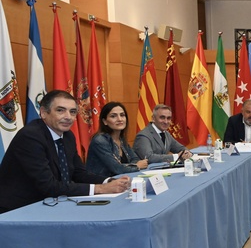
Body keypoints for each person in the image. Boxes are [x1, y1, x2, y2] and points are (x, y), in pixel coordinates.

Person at [0, 90, 130, 213]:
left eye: (73, 112)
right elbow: (48, 186)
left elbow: (79, 173)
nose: (68, 117)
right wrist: (100, 189)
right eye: (60, 110)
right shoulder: (30, 136)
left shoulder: (68, 136)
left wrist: (109, 181)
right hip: (18, 210)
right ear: (44, 113)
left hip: (50, 204)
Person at [86, 102, 149, 178]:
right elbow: (117, 169)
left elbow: (135, 159)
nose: (119, 119)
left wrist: (133, 165)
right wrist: (137, 166)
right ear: (104, 121)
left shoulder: (121, 139)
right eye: (113, 116)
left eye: (122, 115)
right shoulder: (100, 140)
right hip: (102, 185)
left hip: (121, 182)